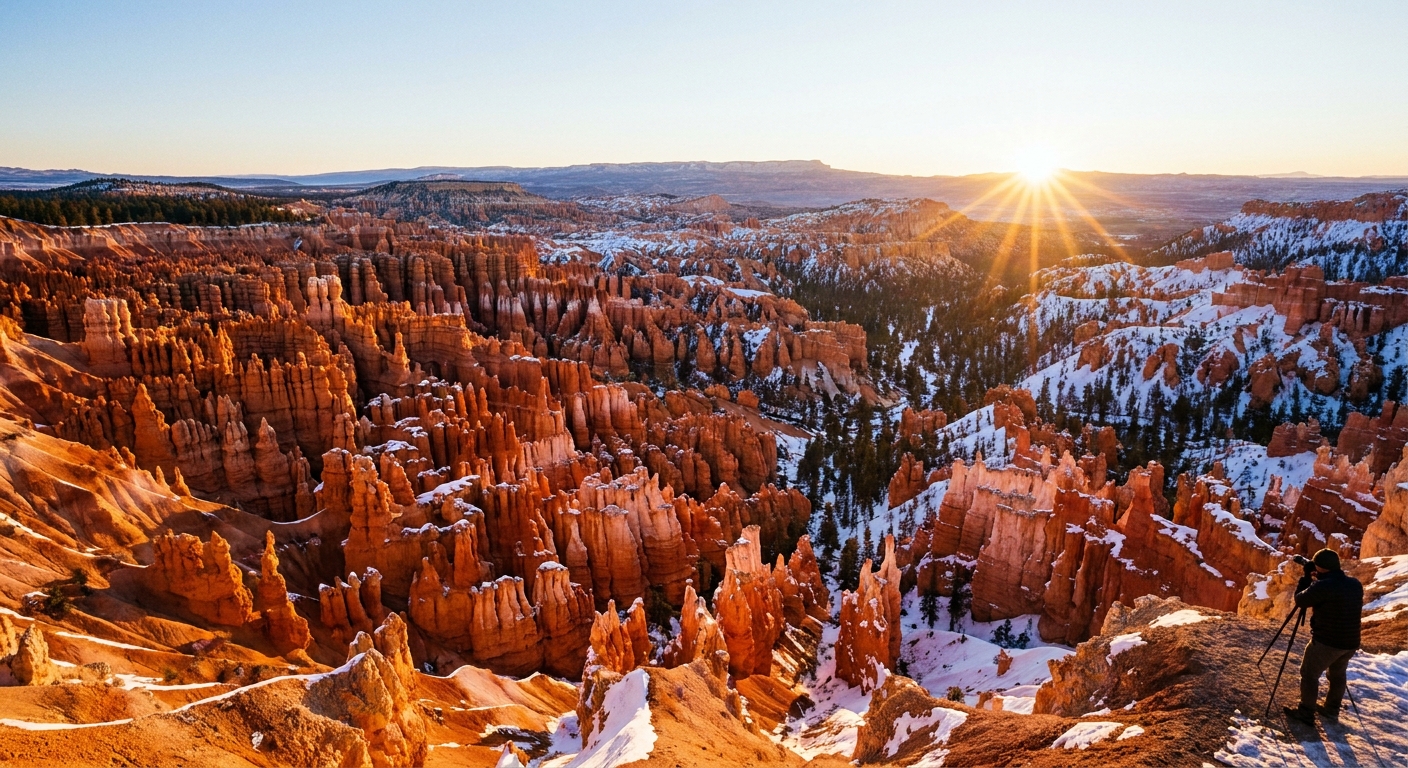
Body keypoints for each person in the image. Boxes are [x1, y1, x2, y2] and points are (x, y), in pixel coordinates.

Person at [1283, 548, 1363, 725]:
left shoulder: (1323, 586)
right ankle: (1331, 710)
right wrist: (1320, 576)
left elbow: (1301, 600)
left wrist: (1306, 578)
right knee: (1337, 674)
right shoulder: (1354, 584)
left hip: (1327, 642)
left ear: (1321, 568)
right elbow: (1336, 591)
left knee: (1309, 673)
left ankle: (1305, 713)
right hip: (1351, 642)